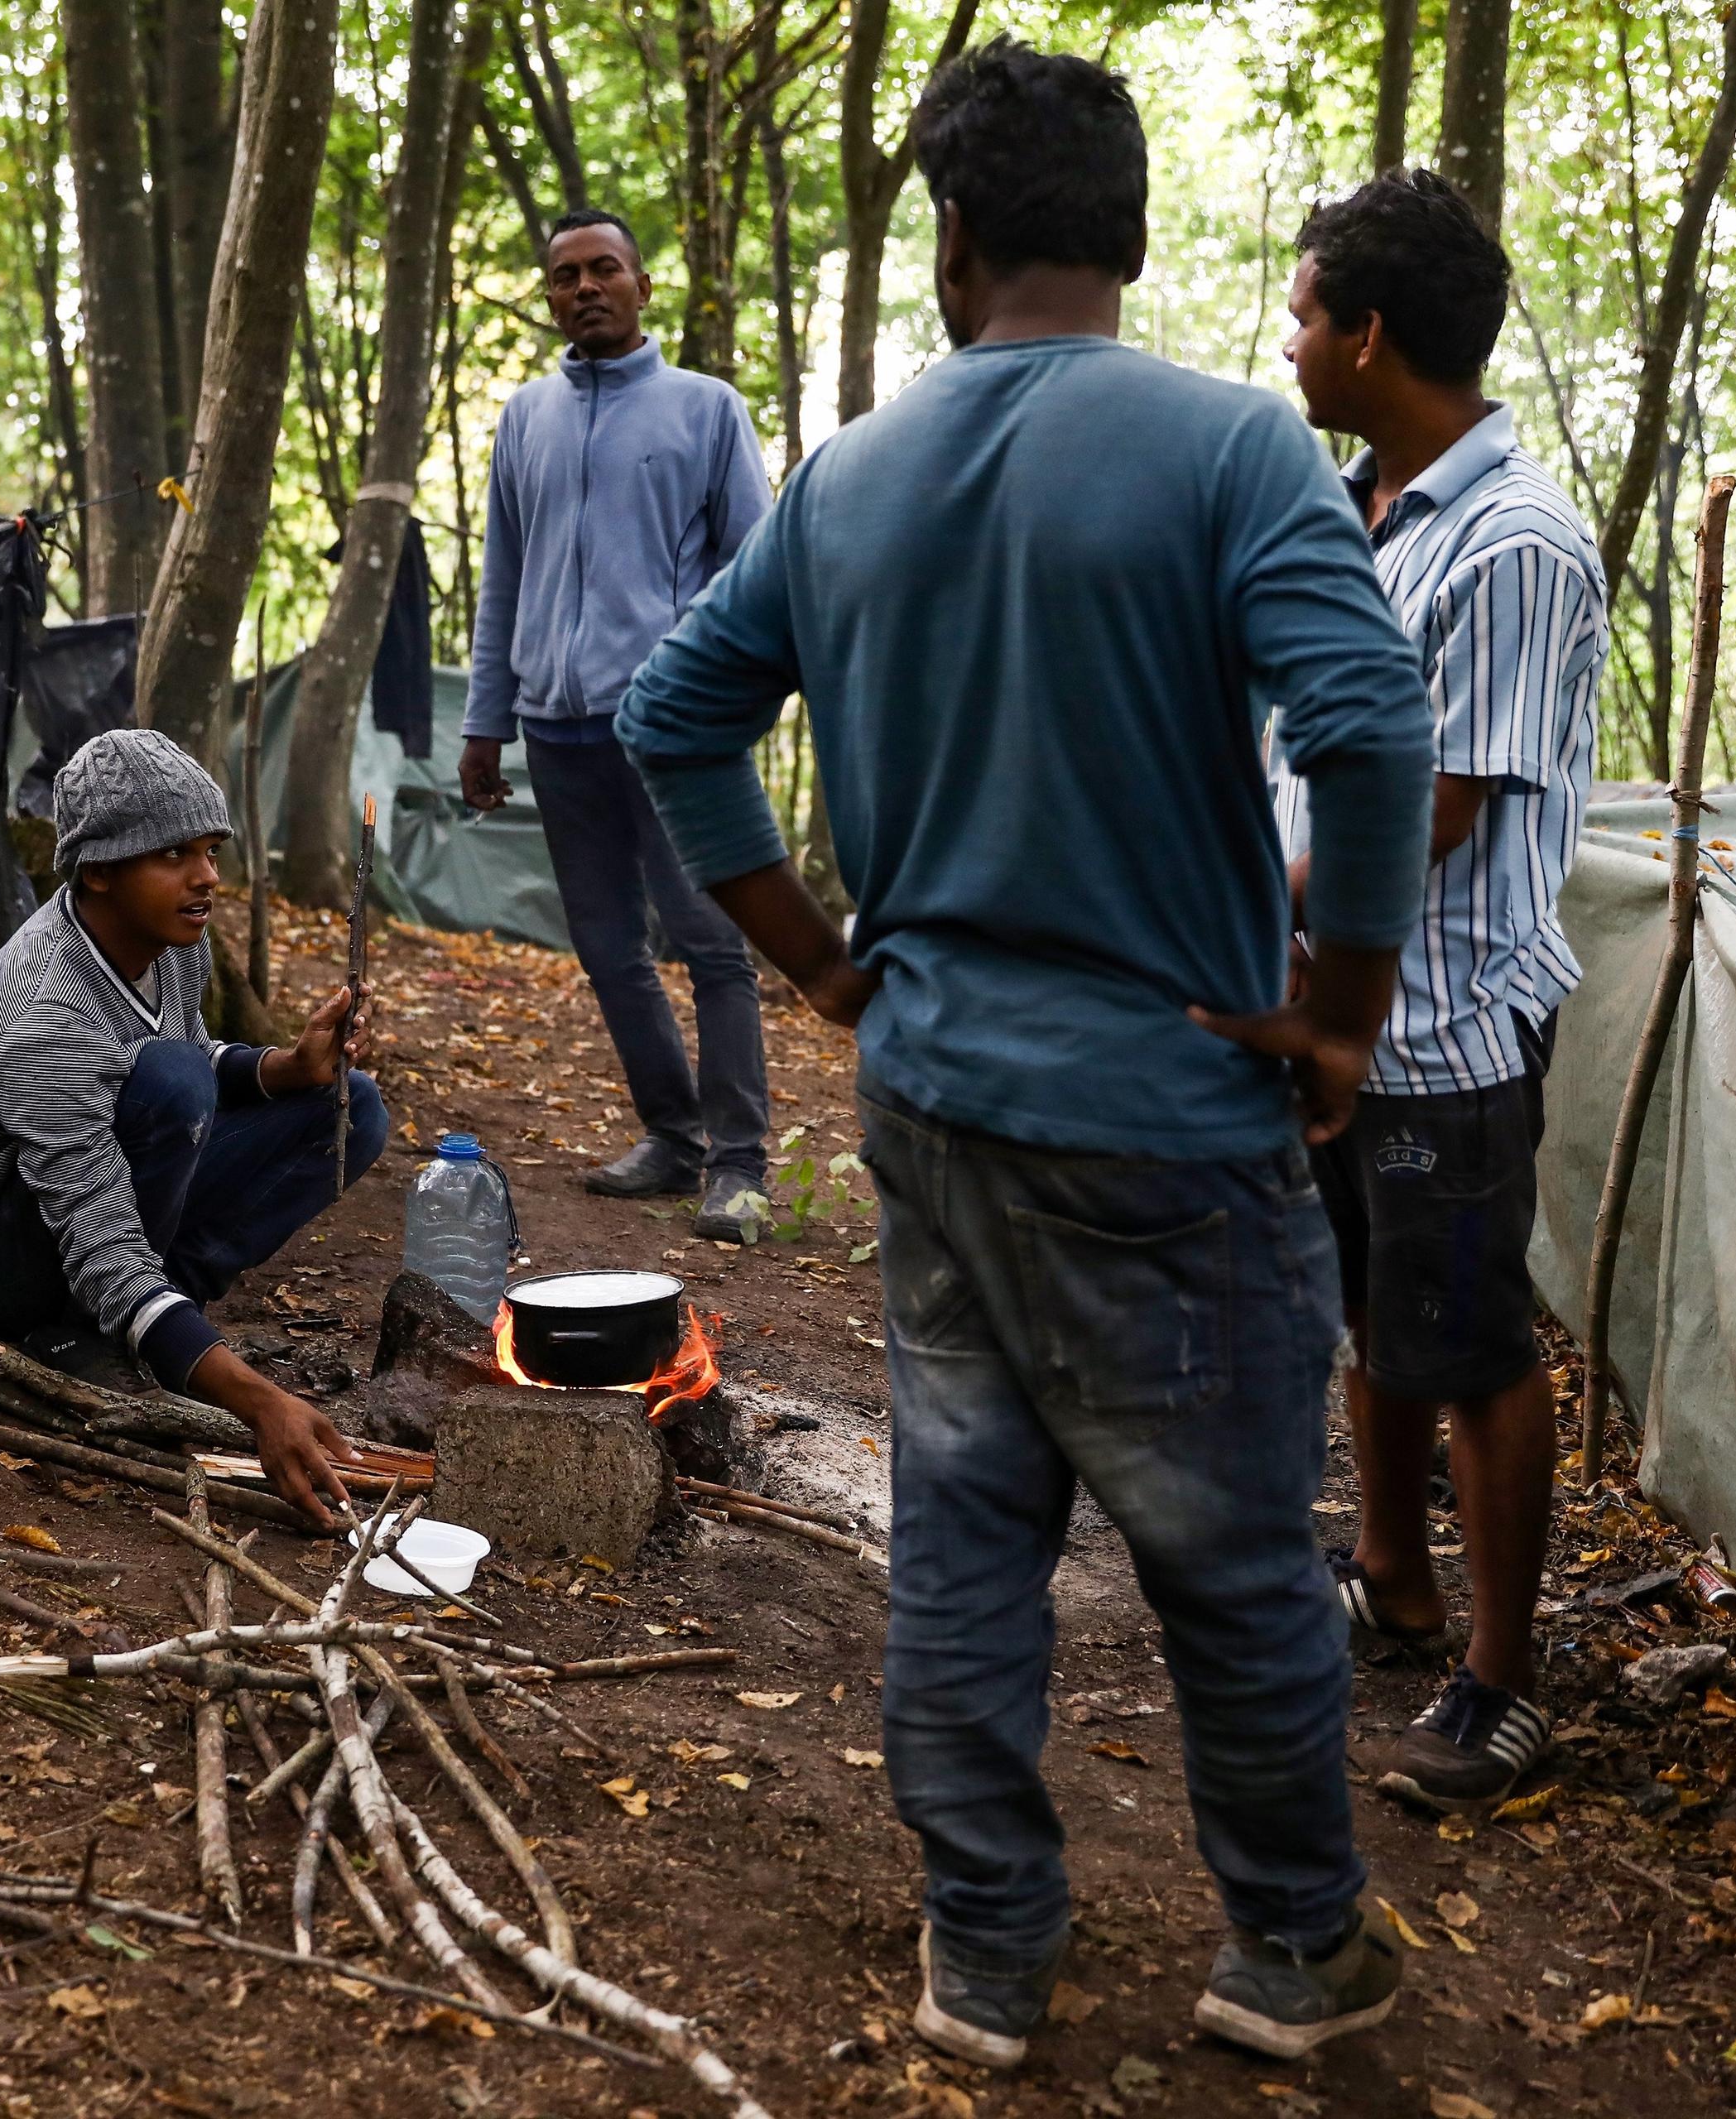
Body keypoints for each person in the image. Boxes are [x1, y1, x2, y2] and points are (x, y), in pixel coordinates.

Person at [617, 41, 1439, 2071]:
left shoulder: (851, 473)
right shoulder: (1236, 452)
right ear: (1130, 234)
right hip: (1168, 1119)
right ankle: (1288, 1945)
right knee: (1236, 1552)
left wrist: (816, 962)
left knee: (967, 1526)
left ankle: (983, 1950)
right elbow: (1377, 725)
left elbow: (668, 717)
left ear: (954, 239)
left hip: (937, 1105)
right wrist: (1338, 1013)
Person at [1272, 171, 1609, 1808]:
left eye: (1303, 307)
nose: (1290, 335)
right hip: (1338, 1012)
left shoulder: (1518, 541)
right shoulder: (1353, 508)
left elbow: (1435, 807)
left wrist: (1231, 899)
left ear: (1370, 331)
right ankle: (1393, 1580)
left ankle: (1502, 1681)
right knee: (1372, 1303)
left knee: (1470, 1337)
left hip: (1448, 1020)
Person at [0, 728, 387, 1529]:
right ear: (98, 869)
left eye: (210, 851)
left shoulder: (170, 941)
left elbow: (196, 1053)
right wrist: (258, 1402)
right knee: (170, 1084)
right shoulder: (44, 1015)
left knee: (350, 1108)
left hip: (99, 1209)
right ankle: (73, 1333)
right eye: (173, 856)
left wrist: (290, 1070)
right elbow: (102, 1228)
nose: (205, 880)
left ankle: (166, 1313)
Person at [458, 204, 777, 1242]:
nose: (584, 288)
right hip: (556, 728)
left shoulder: (707, 409)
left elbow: (755, 567)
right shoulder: (525, 418)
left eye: (604, 270)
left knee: (714, 944)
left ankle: (738, 1166)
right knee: (606, 944)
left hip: (673, 730)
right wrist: (484, 719)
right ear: (550, 296)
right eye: (564, 276)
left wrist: (693, 678)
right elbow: (503, 576)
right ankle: (674, 1136)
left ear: (644, 287)